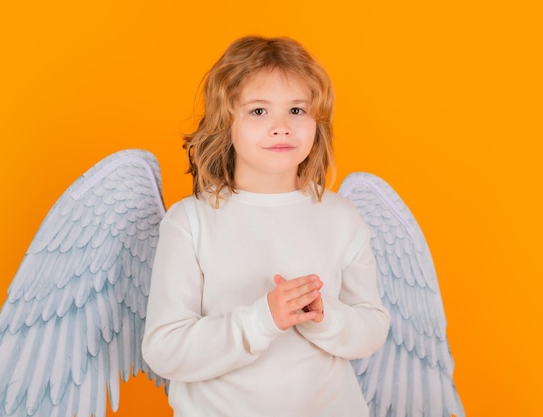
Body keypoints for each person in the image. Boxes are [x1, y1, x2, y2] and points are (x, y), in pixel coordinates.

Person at [142, 35, 390, 417]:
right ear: (226, 122)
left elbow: (372, 327)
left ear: (316, 120)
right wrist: (262, 320)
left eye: (296, 110)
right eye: (259, 111)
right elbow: (165, 348)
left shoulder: (342, 217)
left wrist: (325, 316)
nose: (281, 127)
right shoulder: (190, 221)